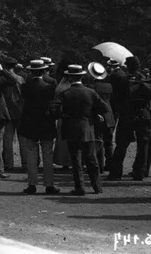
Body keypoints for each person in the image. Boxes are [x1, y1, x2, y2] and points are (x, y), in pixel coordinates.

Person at [52, 64, 109, 196]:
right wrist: (94, 115)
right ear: (82, 76)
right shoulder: (90, 92)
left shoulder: (65, 93)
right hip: (87, 127)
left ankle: (80, 187)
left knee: (76, 160)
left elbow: (53, 109)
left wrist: (63, 116)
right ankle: (97, 186)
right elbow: (104, 108)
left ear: (70, 77)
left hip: (71, 127)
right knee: (91, 159)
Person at [108, 57, 151, 181]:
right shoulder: (145, 79)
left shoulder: (124, 80)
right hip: (144, 113)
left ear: (128, 66)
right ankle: (139, 172)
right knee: (143, 145)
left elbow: (116, 98)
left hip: (128, 113)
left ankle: (116, 172)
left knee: (121, 144)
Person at [18, 60, 60, 195]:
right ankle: (49, 184)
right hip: (46, 123)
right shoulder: (50, 87)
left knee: (31, 155)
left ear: (31, 71)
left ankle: (32, 184)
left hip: (30, 124)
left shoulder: (25, 87)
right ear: (43, 71)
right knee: (48, 155)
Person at [86, 62, 116, 174]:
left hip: (97, 116)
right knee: (109, 143)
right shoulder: (109, 86)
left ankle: (99, 166)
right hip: (109, 116)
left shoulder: (90, 87)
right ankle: (110, 164)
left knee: (97, 141)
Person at [1, 57, 25, 172]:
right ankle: (25, 163)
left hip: (7, 112)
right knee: (22, 140)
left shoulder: (2, 79)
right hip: (20, 112)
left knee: (7, 140)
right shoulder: (20, 78)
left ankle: (8, 164)